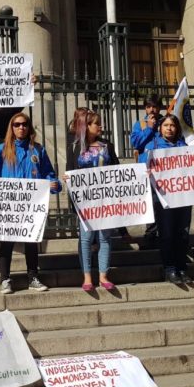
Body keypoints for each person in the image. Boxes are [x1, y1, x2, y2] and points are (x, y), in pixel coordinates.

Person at [0, 112, 61, 294]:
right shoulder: (2, 149)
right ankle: (5, 279)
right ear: (12, 127)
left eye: (24, 124)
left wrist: (54, 184)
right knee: (7, 242)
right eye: (17, 125)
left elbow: (48, 173)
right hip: (9, 204)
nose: (21, 127)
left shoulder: (38, 150)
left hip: (31, 204)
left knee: (31, 240)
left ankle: (33, 276)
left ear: (29, 127)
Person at [64, 111, 119, 291]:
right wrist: (68, 181)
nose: (100, 127)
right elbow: (70, 170)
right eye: (97, 124)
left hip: (105, 200)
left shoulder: (107, 146)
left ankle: (104, 275)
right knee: (86, 239)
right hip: (85, 202)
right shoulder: (76, 147)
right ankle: (87, 277)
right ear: (87, 126)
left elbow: (118, 171)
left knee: (105, 237)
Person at [141, 114, 192, 285]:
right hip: (162, 198)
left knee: (183, 234)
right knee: (167, 234)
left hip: (183, 198)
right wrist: (146, 172)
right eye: (166, 125)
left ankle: (182, 267)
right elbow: (140, 170)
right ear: (160, 128)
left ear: (177, 128)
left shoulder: (184, 146)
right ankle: (170, 268)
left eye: (173, 125)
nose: (169, 128)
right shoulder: (151, 146)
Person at [131, 94, 163, 248]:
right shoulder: (140, 124)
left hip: (164, 170)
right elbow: (135, 143)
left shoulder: (165, 122)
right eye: (149, 106)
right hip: (147, 170)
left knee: (162, 203)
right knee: (150, 202)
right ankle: (150, 234)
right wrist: (150, 129)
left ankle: (164, 233)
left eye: (155, 106)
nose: (152, 109)